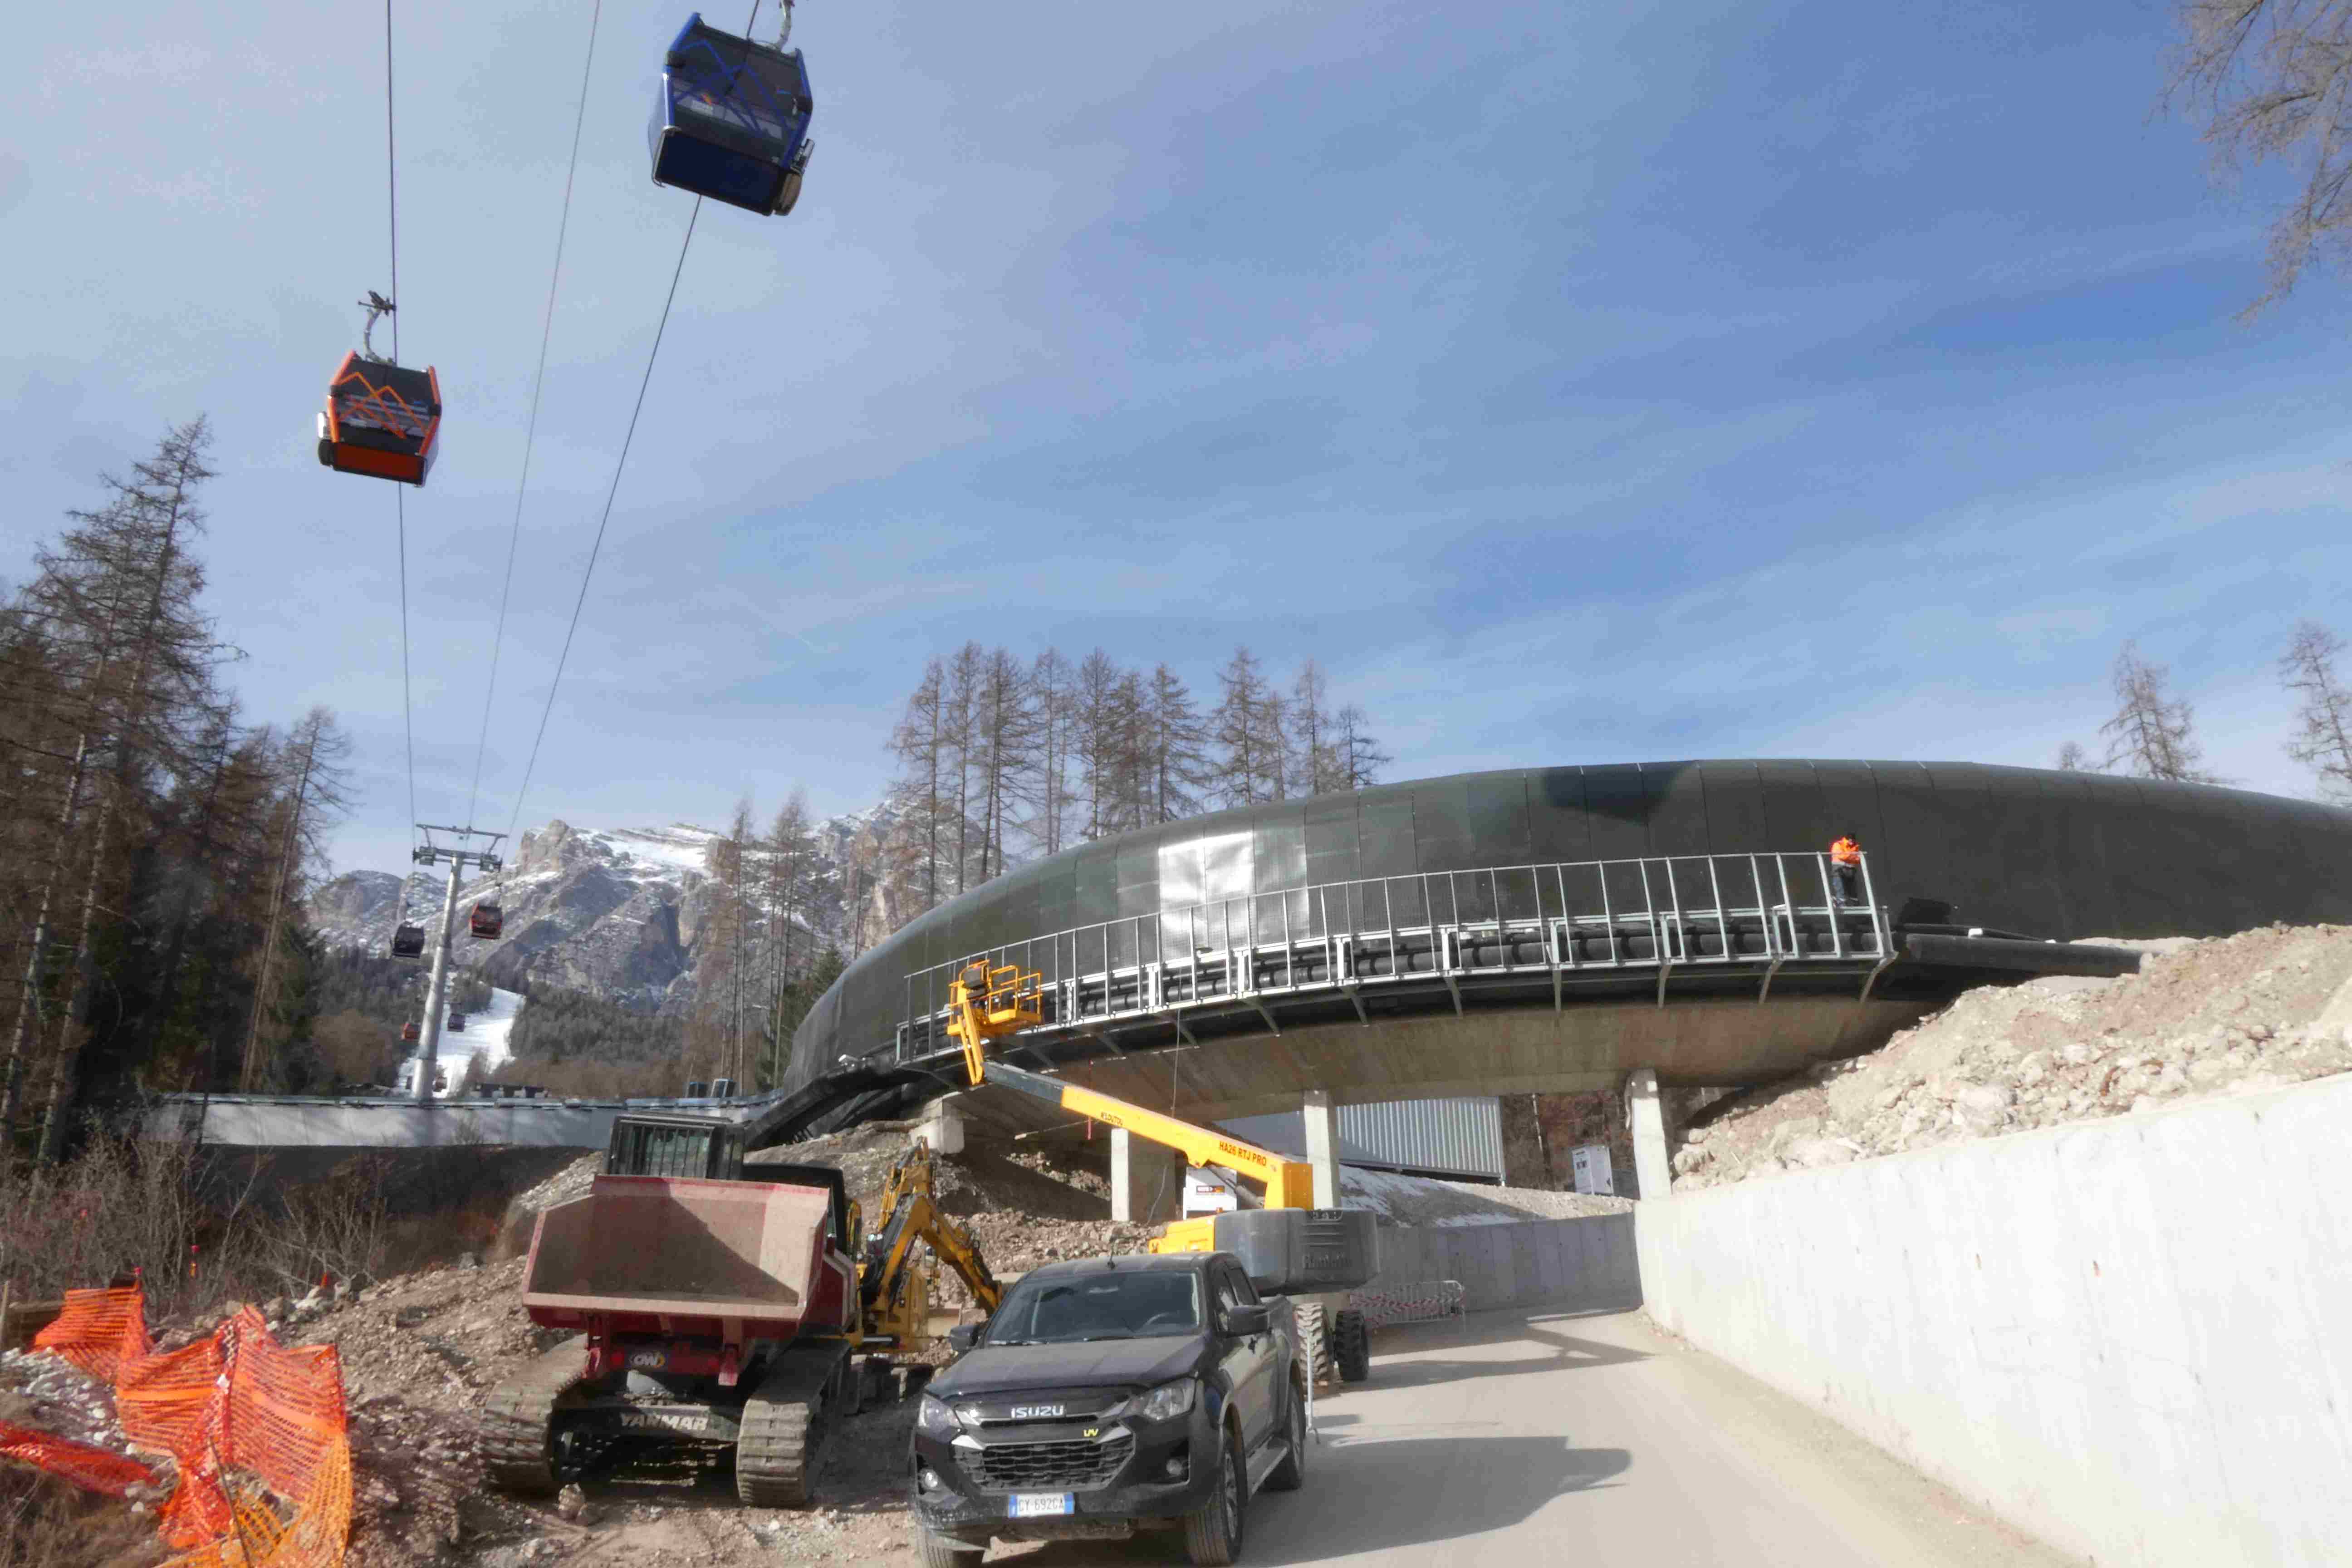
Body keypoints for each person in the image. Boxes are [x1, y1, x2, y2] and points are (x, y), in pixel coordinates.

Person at [1828, 833, 1863, 905]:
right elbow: (1841, 856)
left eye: (1853, 841)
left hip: (1850, 871)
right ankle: (1841, 904)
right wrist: (1852, 856)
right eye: (1850, 840)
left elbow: (1858, 859)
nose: (1852, 842)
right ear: (1847, 839)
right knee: (1840, 888)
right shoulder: (1838, 845)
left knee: (1852, 891)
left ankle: (1855, 906)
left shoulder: (1855, 846)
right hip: (1838, 869)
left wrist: (1850, 857)